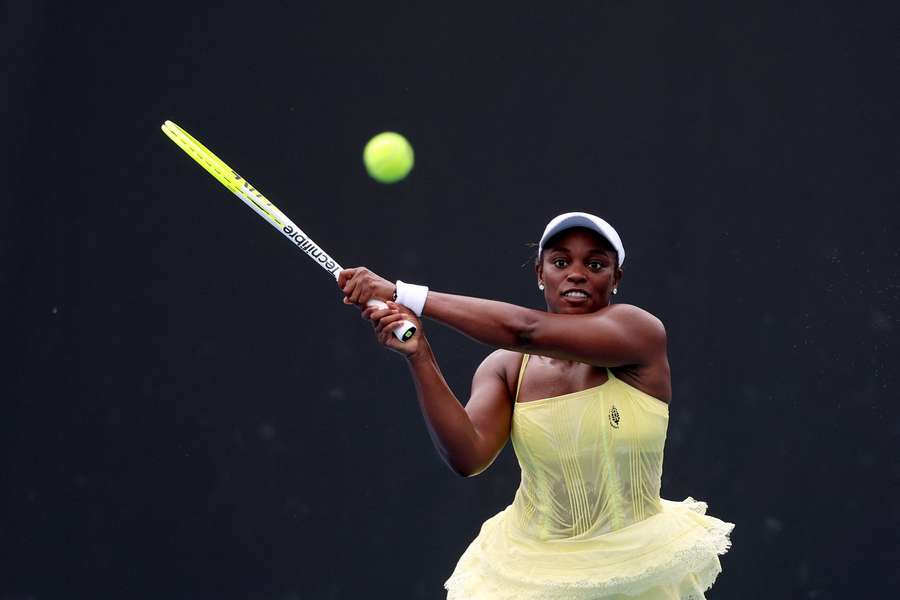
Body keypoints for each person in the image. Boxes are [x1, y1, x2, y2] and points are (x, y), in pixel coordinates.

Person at [338, 212, 734, 599]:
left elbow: (525, 331)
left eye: (595, 264)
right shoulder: (505, 368)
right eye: (560, 262)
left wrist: (400, 293)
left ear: (616, 280)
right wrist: (420, 355)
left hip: (640, 566)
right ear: (540, 274)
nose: (576, 273)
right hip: (530, 576)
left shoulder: (638, 332)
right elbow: (468, 456)